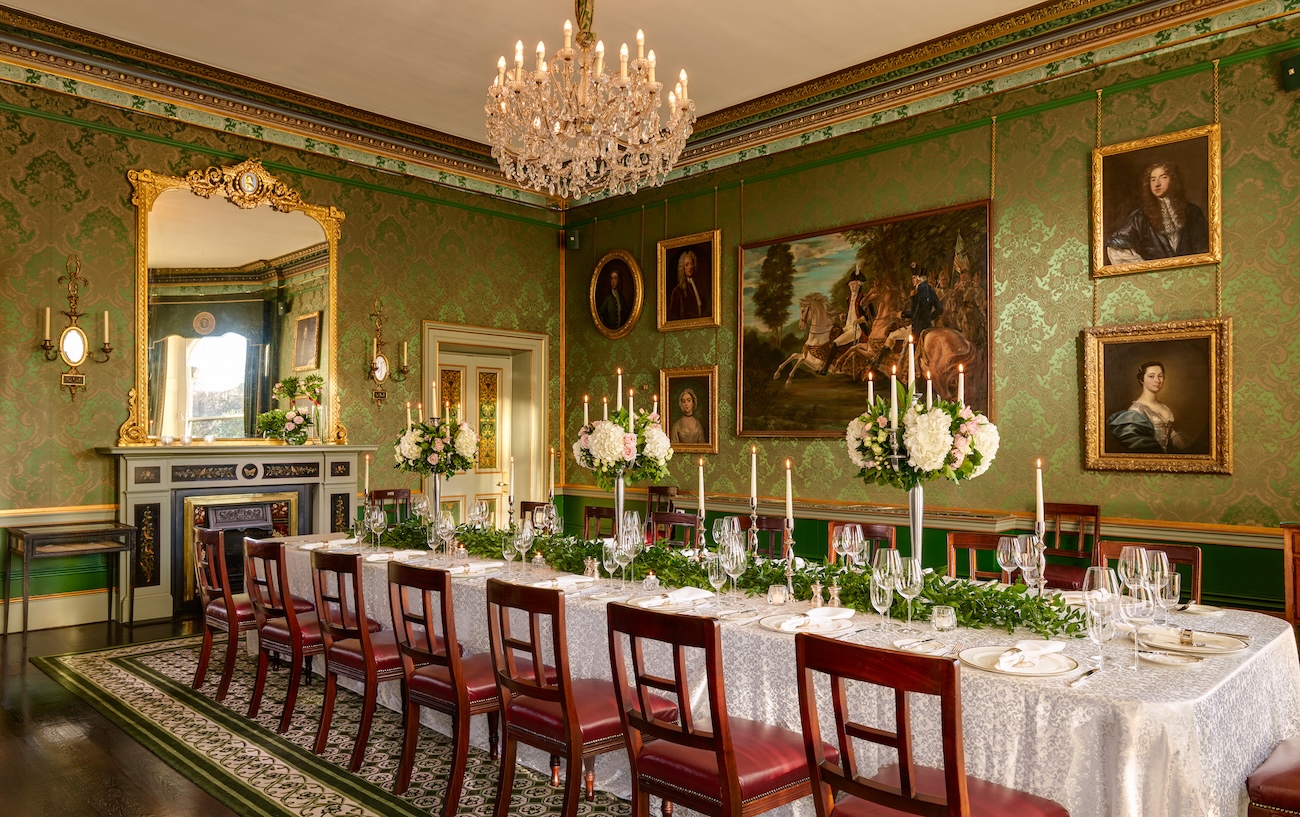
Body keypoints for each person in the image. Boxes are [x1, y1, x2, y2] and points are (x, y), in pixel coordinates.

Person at [1106, 160, 1209, 264]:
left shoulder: (1193, 212)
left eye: (1163, 177)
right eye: (1153, 180)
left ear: (1174, 180)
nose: (1157, 184)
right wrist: (1143, 267)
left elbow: (1204, 247)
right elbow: (1116, 244)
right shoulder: (1141, 216)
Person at [1106, 361, 1191, 453]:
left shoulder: (1164, 406)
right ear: (1142, 380)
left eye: (1160, 376)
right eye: (1151, 376)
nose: (1157, 380)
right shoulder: (1136, 410)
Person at [882, 263, 943, 351]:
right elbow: (940, 309)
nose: (912, 280)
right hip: (928, 326)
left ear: (919, 279)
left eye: (914, 278)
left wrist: (899, 314)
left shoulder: (917, 292)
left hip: (917, 329)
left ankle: (877, 362)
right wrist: (929, 318)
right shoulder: (930, 289)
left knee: (892, 335)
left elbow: (913, 314)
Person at [667, 249, 707, 322]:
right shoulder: (677, 291)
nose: (690, 267)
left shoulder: (697, 286)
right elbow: (673, 317)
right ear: (683, 268)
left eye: (692, 264)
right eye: (687, 264)